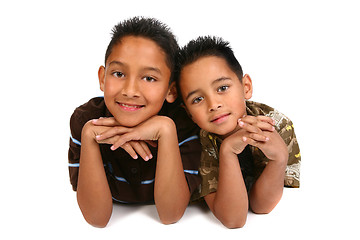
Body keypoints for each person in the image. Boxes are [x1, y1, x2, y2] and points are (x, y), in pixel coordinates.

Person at [68, 17, 201, 228]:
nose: (130, 91)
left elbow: (170, 215)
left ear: (171, 90)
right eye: (118, 73)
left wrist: (166, 131)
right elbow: (97, 219)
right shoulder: (86, 121)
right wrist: (89, 138)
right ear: (103, 78)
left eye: (149, 78)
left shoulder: (184, 124)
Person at [175, 36, 301, 228]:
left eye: (223, 88)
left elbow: (261, 207)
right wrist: (227, 151)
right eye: (198, 99)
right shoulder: (194, 144)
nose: (214, 104)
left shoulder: (277, 126)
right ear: (189, 113)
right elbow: (233, 220)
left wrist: (279, 159)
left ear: (246, 87)